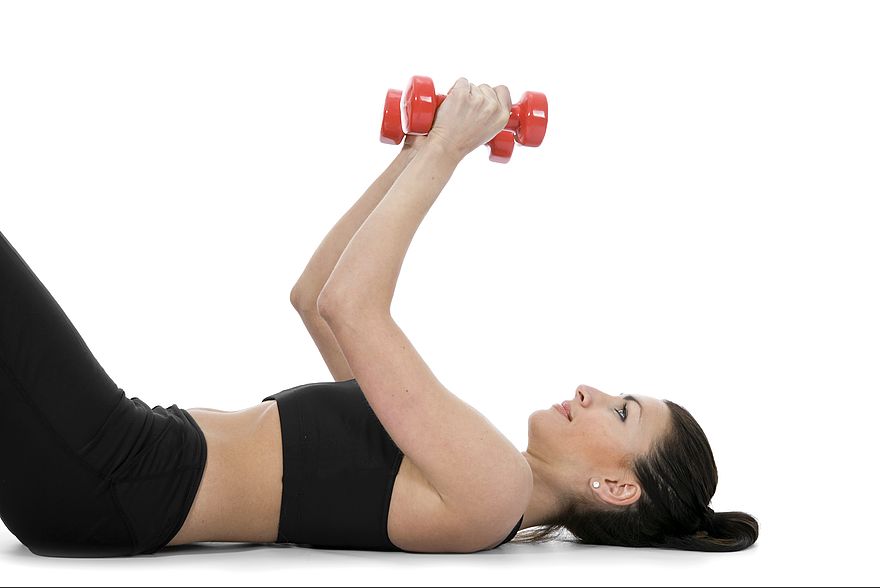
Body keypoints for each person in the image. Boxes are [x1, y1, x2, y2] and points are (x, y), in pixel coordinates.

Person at [0, 78, 758, 558]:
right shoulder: (463, 456)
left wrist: (450, 155)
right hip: (110, 471)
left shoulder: (491, 488)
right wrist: (416, 152)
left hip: (115, 472)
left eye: (622, 411)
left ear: (615, 487)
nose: (592, 389)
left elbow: (352, 304)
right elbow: (315, 296)